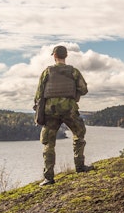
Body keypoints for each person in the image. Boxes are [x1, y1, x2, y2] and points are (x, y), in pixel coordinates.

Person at [34, 45, 90, 185]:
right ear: (66, 56)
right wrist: (73, 97)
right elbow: (84, 89)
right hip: (69, 109)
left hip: (50, 111)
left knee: (48, 143)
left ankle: (48, 177)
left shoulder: (47, 72)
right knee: (79, 133)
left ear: (54, 56)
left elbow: (39, 95)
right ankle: (80, 166)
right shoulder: (73, 72)